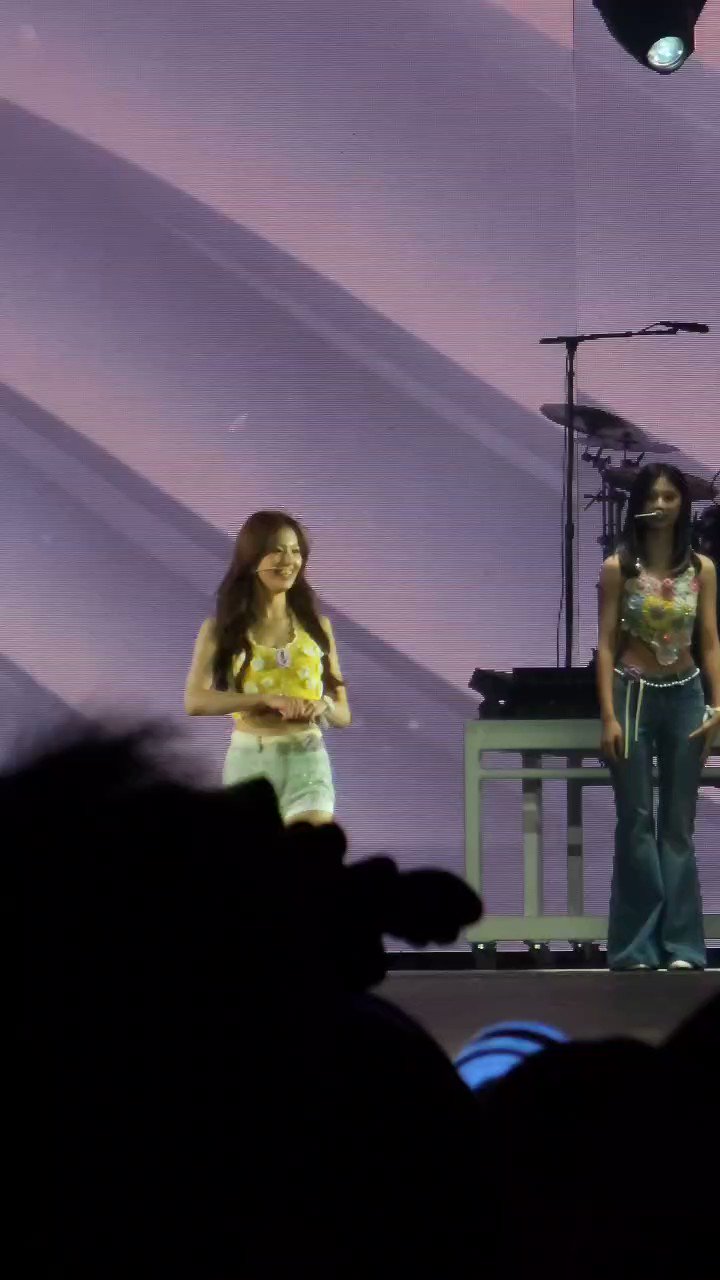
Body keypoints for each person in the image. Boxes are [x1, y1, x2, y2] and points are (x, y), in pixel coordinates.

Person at [596, 464, 720, 972]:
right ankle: (636, 946)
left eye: (671, 497)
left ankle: (683, 946)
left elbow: (709, 640)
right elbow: (606, 645)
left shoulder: (702, 569)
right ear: (640, 504)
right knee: (636, 820)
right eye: (653, 496)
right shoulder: (619, 568)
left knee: (678, 824)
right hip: (632, 691)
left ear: (683, 504)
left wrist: (717, 705)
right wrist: (608, 715)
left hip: (685, 693)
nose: (662, 505)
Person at [184, 511, 350, 824]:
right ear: (251, 558)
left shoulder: (318, 628)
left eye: (295, 551)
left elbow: (343, 713)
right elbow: (195, 700)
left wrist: (322, 706)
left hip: (307, 761)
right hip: (250, 764)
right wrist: (265, 700)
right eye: (276, 550)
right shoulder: (221, 630)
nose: (288, 561)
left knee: (309, 850)